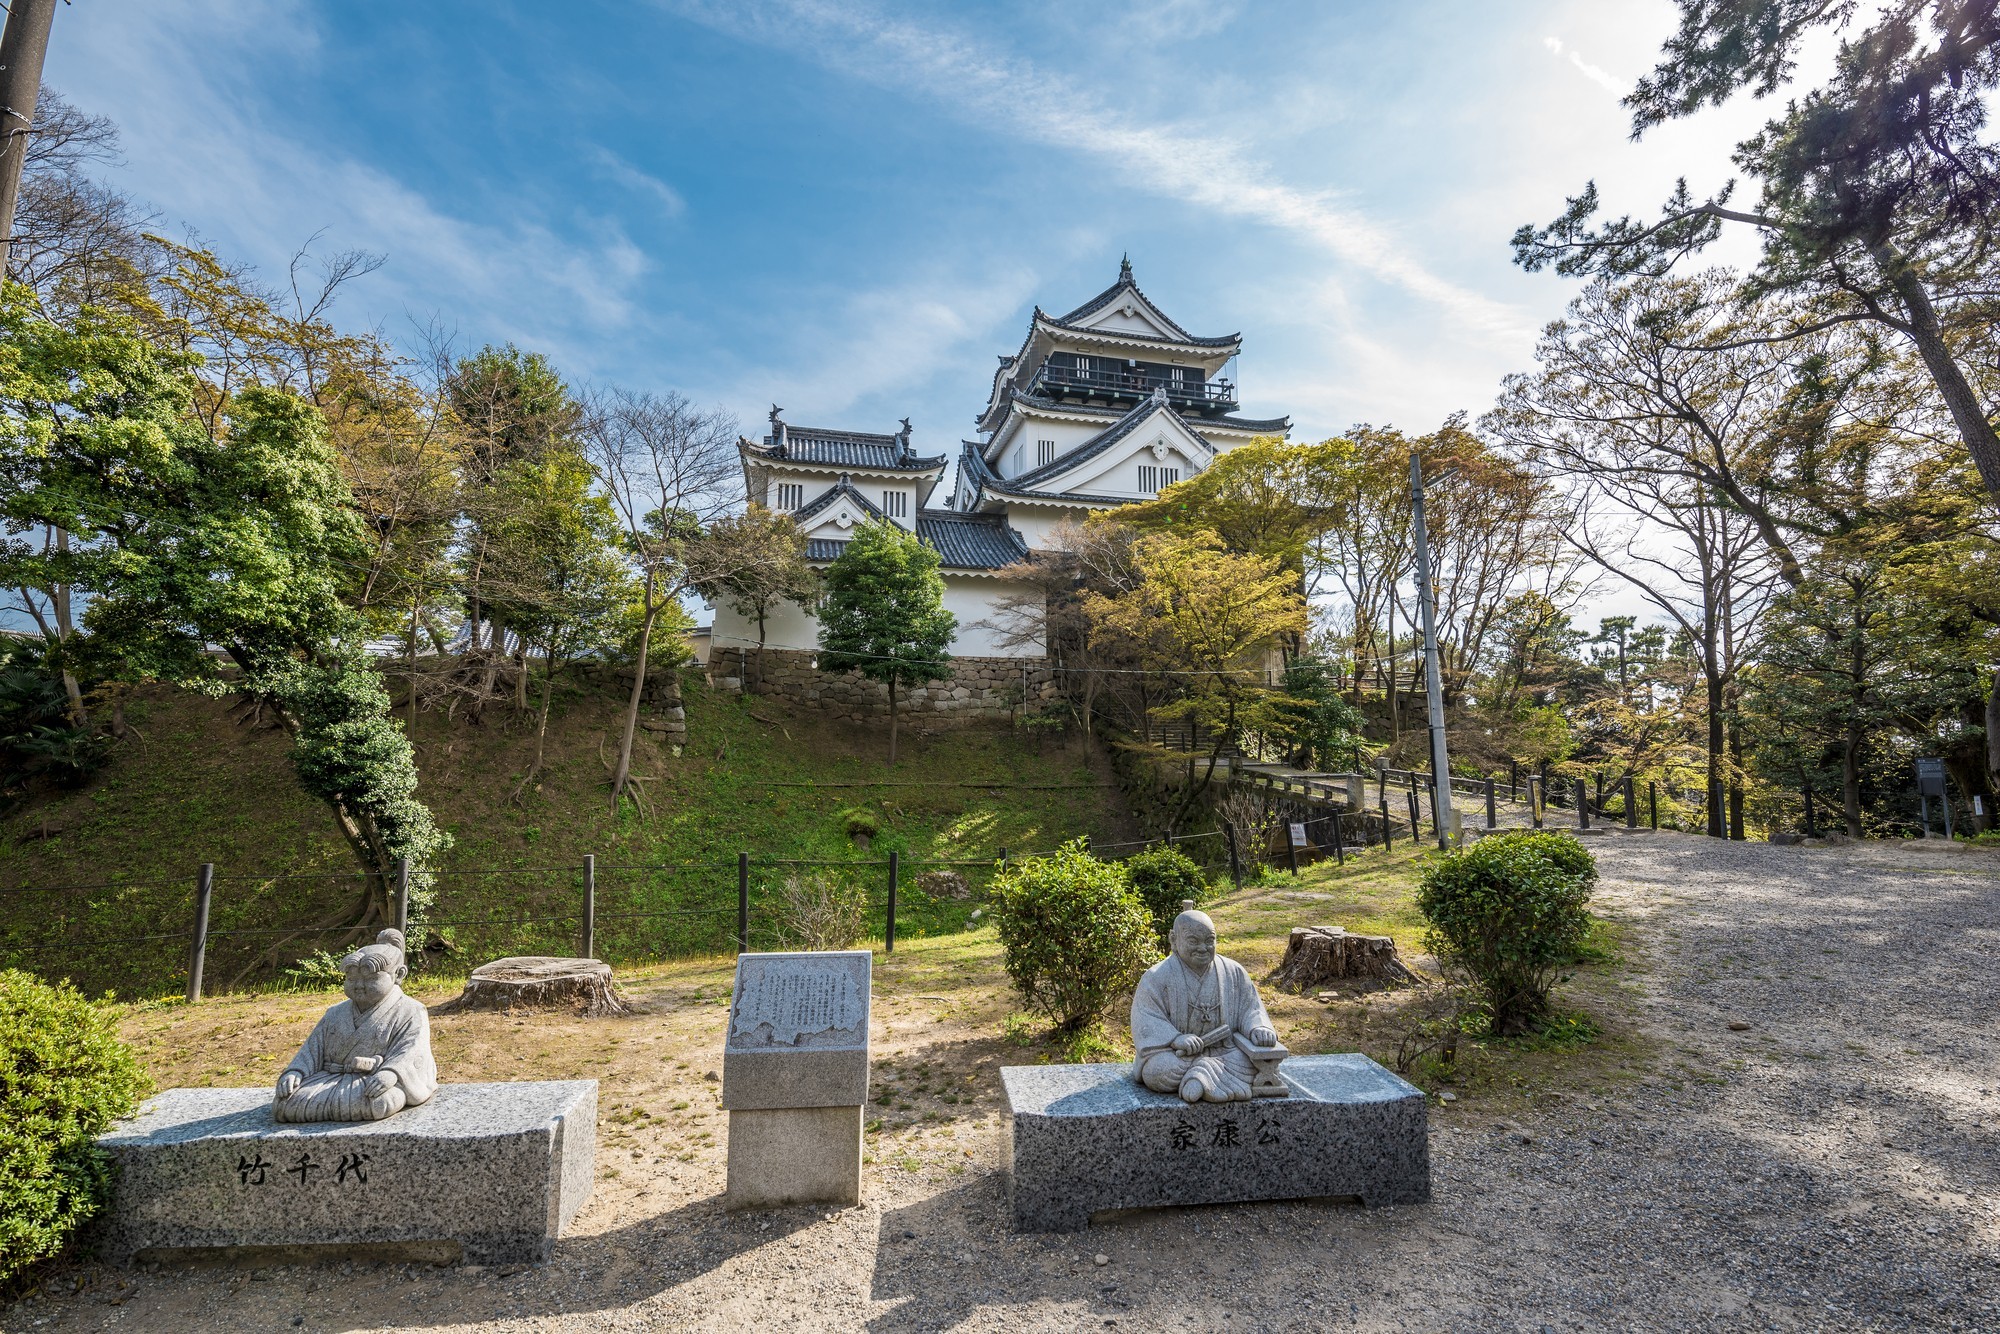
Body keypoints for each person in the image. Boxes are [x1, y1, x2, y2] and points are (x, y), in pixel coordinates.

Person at [274, 928, 437, 1123]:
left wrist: (390, 1073)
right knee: (284, 1103)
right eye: (352, 979)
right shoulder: (335, 1013)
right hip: (329, 1081)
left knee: (381, 1102)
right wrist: (295, 1072)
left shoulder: (411, 1010)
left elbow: (412, 1051)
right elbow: (311, 1050)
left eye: (371, 978)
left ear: (398, 974)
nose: (359, 985)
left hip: (373, 1082)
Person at [1130, 909, 1278, 1103]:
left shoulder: (1233, 972)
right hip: (1179, 1056)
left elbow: (1251, 1008)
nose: (1203, 948)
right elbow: (1146, 1017)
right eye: (1193, 941)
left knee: (1256, 1062)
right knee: (1157, 1071)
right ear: (1174, 940)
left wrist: (1259, 1027)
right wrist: (1176, 1039)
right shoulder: (1156, 977)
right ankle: (1214, 1080)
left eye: (1209, 940)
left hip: (1226, 1052)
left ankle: (1197, 1079)